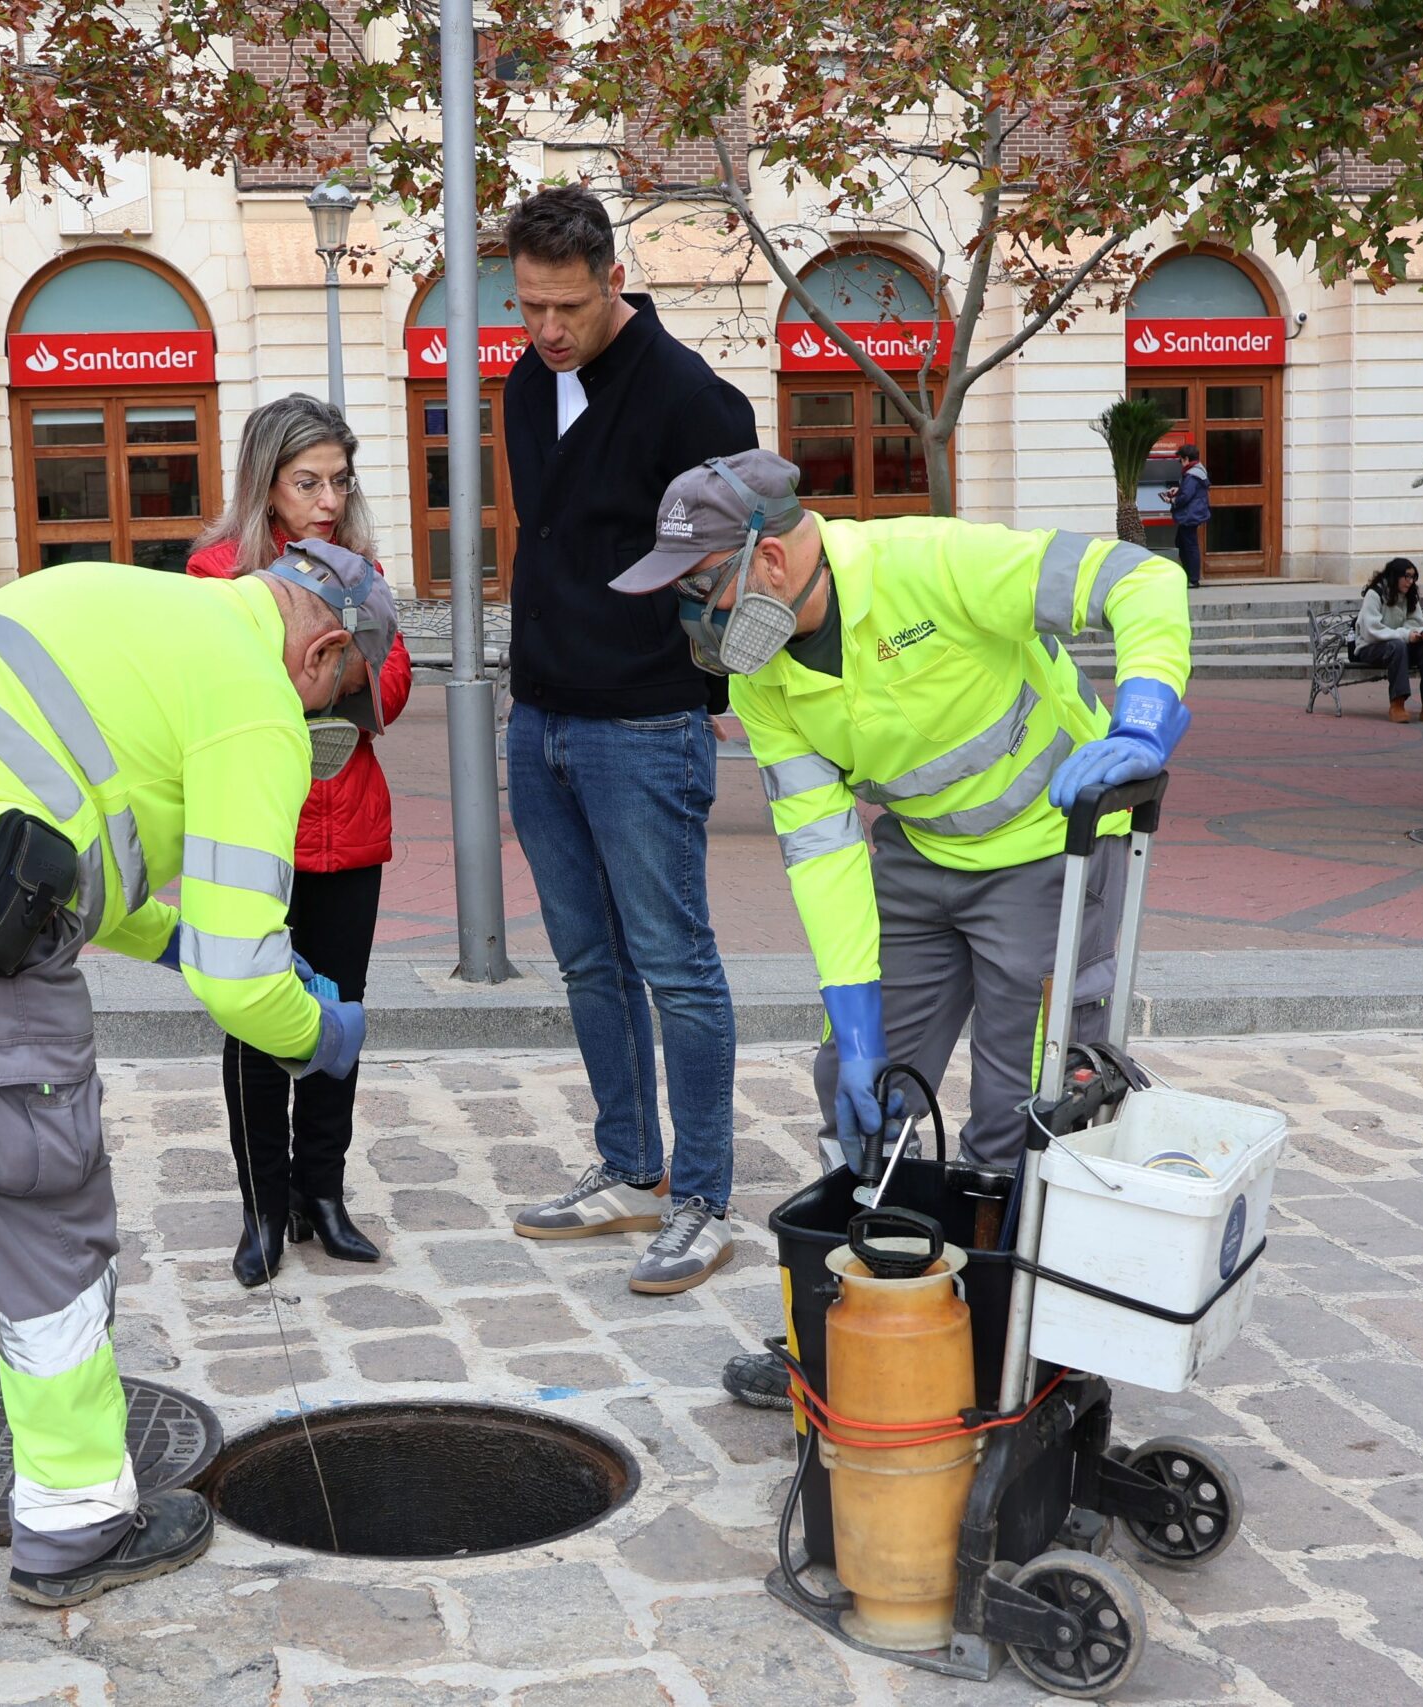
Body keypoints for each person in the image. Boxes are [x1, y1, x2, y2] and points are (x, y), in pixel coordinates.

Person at [0, 542, 392, 1607]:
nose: (326, 723)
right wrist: (317, 1037)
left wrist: (174, 938)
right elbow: (244, 982)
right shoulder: (258, 699)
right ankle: (78, 1520)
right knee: (44, 1203)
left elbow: (69, 835)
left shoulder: (116, 598)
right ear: (324, 651)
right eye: (340, 698)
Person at [605, 452, 1193, 1408]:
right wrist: (858, 1023)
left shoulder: (931, 563)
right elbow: (822, 850)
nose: (691, 617)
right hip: (922, 852)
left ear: (770, 560)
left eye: (699, 587)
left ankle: (1008, 1345)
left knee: (1019, 1111)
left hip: (1051, 845)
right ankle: (867, 1320)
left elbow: (1139, 578)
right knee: (859, 1086)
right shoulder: (764, 680)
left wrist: (1142, 716)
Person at [495, 184, 760, 1295]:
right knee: (587, 962)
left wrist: (696, 682)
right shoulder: (523, 382)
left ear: (614, 280)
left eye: (567, 305)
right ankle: (629, 1166)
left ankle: (701, 1198)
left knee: (675, 965)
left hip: (646, 723)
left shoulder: (694, 399)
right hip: (541, 717)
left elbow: (742, 564)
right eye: (528, 306)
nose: (547, 329)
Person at [188, 396, 413, 1287]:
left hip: (349, 826)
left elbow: (388, 689)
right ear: (266, 484)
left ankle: (324, 1194)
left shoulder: (363, 570)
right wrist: (332, 670)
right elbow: (222, 693)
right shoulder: (216, 572)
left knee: (338, 1016)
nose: (327, 499)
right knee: (255, 1016)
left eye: (339, 481)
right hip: (256, 828)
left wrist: (327, 673)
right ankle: (262, 1206)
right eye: (306, 481)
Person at [1354, 556, 1423, 723]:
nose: (1410, 581)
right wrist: (1405, 635)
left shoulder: (1409, 595)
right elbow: (1371, 630)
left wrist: (1419, 634)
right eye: (1407, 576)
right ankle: (1397, 705)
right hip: (1370, 647)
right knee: (1397, 646)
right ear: (1395, 576)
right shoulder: (1375, 594)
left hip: (1398, 647)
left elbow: (1416, 623)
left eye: (1413, 577)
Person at [1161, 443, 1209, 588]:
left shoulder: (1192, 475)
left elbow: (1186, 497)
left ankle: (1193, 579)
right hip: (1192, 514)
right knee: (1181, 543)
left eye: (1181, 460)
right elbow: (1190, 491)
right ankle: (1189, 576)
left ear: (1186, 459)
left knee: (1189, 546)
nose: (1180, 463)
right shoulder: (1197, 470)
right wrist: (1179, 489)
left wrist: (1171, 500)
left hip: (1189, 515)